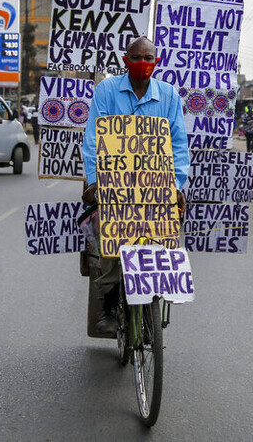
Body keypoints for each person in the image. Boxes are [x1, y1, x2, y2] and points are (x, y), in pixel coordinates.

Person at [80, 36, 189, 335]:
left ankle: (155, 299)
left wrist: (176, 184)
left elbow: (178, 144)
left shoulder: (168, 96)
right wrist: (95, 181)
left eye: (148, 58)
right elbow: (93, 140)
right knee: (108, 238)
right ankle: (107, 304)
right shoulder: (107, 90)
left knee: (164, 235)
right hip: (114, 186)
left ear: (156, 61)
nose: (142, 63)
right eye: (136, 58)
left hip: (155, 188)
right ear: (126, 60)